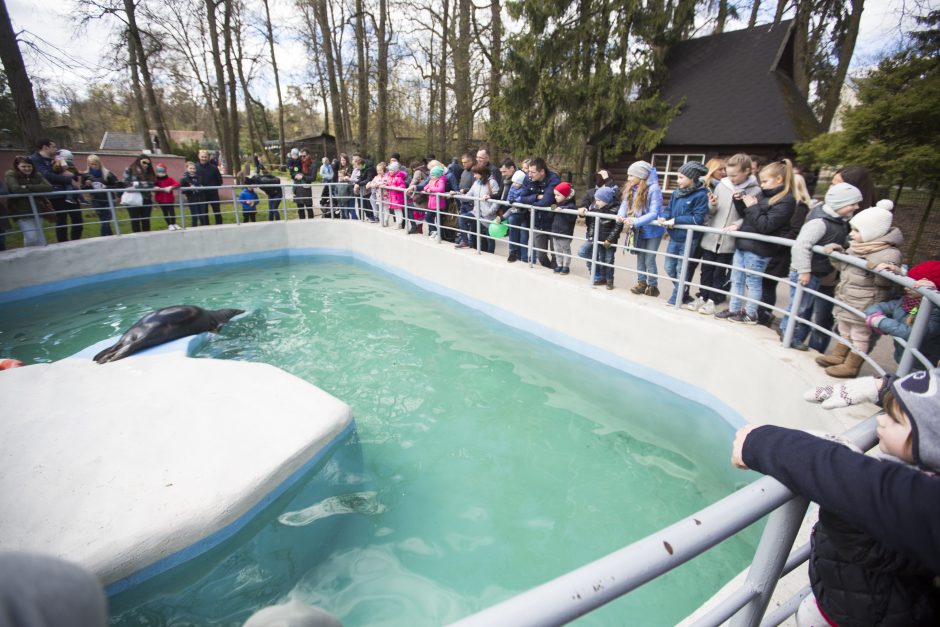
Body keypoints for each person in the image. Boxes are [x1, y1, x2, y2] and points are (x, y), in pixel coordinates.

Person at [732, 368, 940, 627]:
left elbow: (855, 514)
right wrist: (884, 388)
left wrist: (837, 459)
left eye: (895, 420)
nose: (880, 421)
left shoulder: (910, 519)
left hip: (854, 614)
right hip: (836, 598)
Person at [816, 202, 903, 377]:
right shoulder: (857, 247)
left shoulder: (889, 254)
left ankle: (852, 365)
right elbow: (844, 268)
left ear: (871, 232)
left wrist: (881, 270)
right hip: (848, 298)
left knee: (860, 336)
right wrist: (837, 254)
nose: (851, 234)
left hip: (866, 303)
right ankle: (839, 355)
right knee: (844, 329)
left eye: (856, 231)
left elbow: (887, 283)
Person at [780, 182, 862, 348]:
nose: (856, 207)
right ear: (840, 203)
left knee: (804, 304)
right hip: (807, 272)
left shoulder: (839, 221)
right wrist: (804, 271)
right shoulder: (820, 223)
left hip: (816, 272)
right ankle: (787, 332)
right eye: (852, 204)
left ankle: (789, 332)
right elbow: (801, 245)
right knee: (800, 306)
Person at [716, 160, 797, 324]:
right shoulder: (762, 195)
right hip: (744, 243)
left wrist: (752, 207)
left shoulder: (786, 201)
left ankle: (751, 313)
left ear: (779, 179)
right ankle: (734, 309)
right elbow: (749, 217)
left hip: (759, 249)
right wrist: (740, 202)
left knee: (753, 282)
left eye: (766, 181)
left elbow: (766, 225)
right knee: (736, 279)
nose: (763, 185)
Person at [696, 154, 762, 314]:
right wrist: (712, 205)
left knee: (720, 272)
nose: (730, 178)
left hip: (729, 239)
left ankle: (712, 300)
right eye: (728, 174)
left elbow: (751, 214)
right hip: (712, 235)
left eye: (734, 175)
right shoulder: (722, 185)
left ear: (747, 171)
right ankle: (702, 297)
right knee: (706, 269)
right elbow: (712, 211)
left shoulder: (755, 190)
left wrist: (737, 225)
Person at [754, 172, 812, 326]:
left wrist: (775, 242)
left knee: (767, 285)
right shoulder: (780, 202)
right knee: (760, 284)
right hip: (769, 249)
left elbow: (794, 231)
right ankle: (758, 313)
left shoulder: (800, 207)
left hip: (779, 253)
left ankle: (763, 317)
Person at [866, 260, 940, 369]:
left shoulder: (935, 313)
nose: (906, 287)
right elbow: (881, 307)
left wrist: (879, 321)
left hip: (923, 363)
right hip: (904, 356)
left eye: (913, 284)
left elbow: (913, 333)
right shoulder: (906, 301)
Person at [660, 161, 709, 307]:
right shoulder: (676, 193)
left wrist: (676, 220)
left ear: (692, 178)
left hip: (689, 239)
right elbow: (669, 209)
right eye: (678, 177)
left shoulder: (701, 195)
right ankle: (682, 289)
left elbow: (697, 218)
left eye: (681, 177)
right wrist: (665, 216)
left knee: (681, 268)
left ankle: (677, 295)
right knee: (669, 267)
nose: (678, 180)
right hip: (674, 236)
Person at [617, 161, 665, 297]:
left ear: (641, 176)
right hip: (640, 229)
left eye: (631, 175)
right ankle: (641, 283)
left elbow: (654, 212)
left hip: (653, 230)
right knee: (640, 256)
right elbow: (624, 204)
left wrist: (636, 221)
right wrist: (621, 215)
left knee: (649, 258)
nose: (628, 178)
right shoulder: (631, 187)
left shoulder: (653, 189)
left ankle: (653, 285)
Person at [30, 139, 81, 243]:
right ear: (45, 147)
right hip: (56, 195)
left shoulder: (59, 158)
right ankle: (63, 245)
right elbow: (46, 176)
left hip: (71, 194)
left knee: (78, 221)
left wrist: (72, 176)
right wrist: (68, 179)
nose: (56, 149)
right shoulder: (35, 159)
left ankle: (76, 243)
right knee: (62, 222)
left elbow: (72, 172)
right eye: (53, 147)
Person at [578, 185, 623, 288]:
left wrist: (609, 240)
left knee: (609, 260)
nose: (596, 202)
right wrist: (591, 236)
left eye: (598, 200)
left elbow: (617, 227)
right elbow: (593, 224)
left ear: (606, 200)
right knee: (601, 258)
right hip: (598, 239)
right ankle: (602, 277)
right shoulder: (596, 208)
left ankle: (610, 280)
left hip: (609, 241)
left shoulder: (616, 210)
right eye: (595, 200)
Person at [519, 157, 561, 269]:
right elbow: (522, 198)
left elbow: (546, 201)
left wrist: (532, 205)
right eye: (529, 171)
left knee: (556, 257)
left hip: (553, 222)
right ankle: (549, 271)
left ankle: (555, 273)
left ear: (542, 171)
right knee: (541, 256)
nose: (530, 175)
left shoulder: (554, 179)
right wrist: (536, 196)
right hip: (538, 222)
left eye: (533, 172)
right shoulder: (528, 179)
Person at [5, 155, 52, 247]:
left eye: (29, 166)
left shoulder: (37, 174)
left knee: (39, 236)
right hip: (21, 211)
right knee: (31, 237)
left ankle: (38, 255)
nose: (27, 169)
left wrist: (27, 187)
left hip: (38, 208)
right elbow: (16, 189)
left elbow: (49, 187)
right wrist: (38, 188)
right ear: (17, 166)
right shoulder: (11, 174)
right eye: (23, 166)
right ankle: (30, 255)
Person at [81, 154, 122, 236]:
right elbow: (82, 188)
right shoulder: (86, 175)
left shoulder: (107, 173)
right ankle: (111, 237)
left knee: (106, 220)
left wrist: (106, 187)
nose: (93, 166)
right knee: (104, 220)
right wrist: (87, 185)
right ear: (88, 164)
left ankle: (102, 237)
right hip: (96, 200)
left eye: (95, 164)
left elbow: (117, 185)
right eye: (91, 164)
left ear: (99, 163)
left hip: (109, 200)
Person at [468, 163, 501, 252]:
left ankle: (491, 255)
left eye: (475, 174)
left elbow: (497, 198)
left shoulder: (492, 182)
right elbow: (468, 195)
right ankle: (480, 251)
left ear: (481, 173)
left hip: (489, 216)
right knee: (481, 237)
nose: (474, 176)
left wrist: (490, 211)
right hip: (479, 214)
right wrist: (457, 193)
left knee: (489, 238)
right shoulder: (476, 183)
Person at [123, 154, 156, 233]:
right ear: (138, 161)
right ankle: (136, 237)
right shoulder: (129, 169)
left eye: (148, 163)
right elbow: (126, 184)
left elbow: (152, 183)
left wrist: (137, 184)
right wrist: (144, 184)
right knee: (135, 220)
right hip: (133, 199)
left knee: (146, 220)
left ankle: (146, 237)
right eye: (144, 162)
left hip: (146, 199)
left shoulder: (150, 172)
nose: (146, 165)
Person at [550, 181, 578, 274]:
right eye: (555, 195)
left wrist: (563, 211)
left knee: (565, 250)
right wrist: (554, 208)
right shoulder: (557, 204)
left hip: (565, 232)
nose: (555, 197)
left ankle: (566, 266)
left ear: (565, 195)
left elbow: (571, 218)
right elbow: (551, 208)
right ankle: (559, 264)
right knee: (557, 250)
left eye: (558, 195)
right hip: (555, 231)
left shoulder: (571, 206)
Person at [504, 169, 530, 262]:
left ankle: (524, 257)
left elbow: (524, 196)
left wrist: (517, 201)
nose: (515, 184)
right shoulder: (512, 186)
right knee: (511, 219)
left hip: (524, 212)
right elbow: (509, 196)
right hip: (514, 209)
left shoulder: (524, 187)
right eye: (514, 182)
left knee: (524, 237)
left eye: (517, 183)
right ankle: (513, 252)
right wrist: (511, 200)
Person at [454, 153, 476, 248]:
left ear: (471, 162)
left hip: (471, 203)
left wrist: (465, 190)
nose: (464, 164)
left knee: (471, 224)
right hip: (463, 201)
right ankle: (464, 240)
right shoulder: (464, 172)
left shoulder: (474, 172)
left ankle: (471, 242)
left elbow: (474, 187)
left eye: (466, 162)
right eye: (462, 162)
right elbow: (461, 184)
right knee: (461, 221)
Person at [196, 150, 223, 225]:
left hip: (213, 193)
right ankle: (205, 227)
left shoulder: (214, 168)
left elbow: (220, 181)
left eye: (205, 157)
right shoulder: (195, 167)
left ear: (208, 157)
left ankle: (219, 226)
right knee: (203, 212)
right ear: (199, 157)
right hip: (201, 194)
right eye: (202, 157)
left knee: (217, 211)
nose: (203, 158)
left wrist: (213, 186)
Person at [152, 163, 180, 230]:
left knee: (172, 212)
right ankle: (169, 224)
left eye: (162, 171)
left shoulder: (170, 179)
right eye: (159, 171)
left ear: (165, 171)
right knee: (165, 212)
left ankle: (174, 223)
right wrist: (155, 187)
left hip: (169, 199)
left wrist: (171, 187)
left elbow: (177, 184)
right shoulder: (155, 180)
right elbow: (151, 186)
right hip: (161, 200)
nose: (161, 173)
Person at [180, 161, 207, 227]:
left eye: (194, 168)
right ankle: (194, 228)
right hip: (192, 199)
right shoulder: (184, 179)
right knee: (194, 216)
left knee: (202, 215)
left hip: (201, 198)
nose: (192, 170)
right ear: (187, 169)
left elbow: (204, 185)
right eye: (190, 168)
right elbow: (182, 191)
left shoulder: (199, 177)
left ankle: (204, 228)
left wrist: (202, 187)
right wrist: (189, 189)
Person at [386, 161, 407, 227]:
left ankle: (399, 223)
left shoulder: (398, 178)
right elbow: (388, 183)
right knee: (395, 210)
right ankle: (398, 223)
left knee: (398, 210)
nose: (390, 171)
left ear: (395, 170)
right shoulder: (390, 177)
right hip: (392, 197)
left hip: (397, 197)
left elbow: (402, 186)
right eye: (389, 170)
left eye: (391, 170)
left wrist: (395, 187)